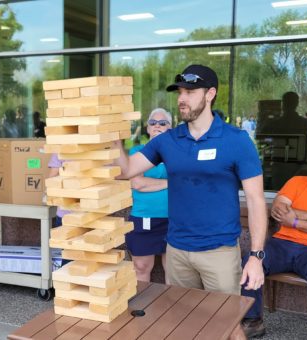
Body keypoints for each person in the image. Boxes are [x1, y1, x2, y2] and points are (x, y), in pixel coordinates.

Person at [114, 65, 267, 338]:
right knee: (183, 326)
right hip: (177, 253)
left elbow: (256, 200)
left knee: (228, 326)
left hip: (218, 253)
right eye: (180, 92)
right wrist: (112, 135)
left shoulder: (236, 140)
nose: (182, 98)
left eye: (190, 91)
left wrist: (255, 256)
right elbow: (126, 170)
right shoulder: (169, 141)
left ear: (210, 94)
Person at [241, 145, 307, 340]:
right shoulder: (299, 181)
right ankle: (253, 321)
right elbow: (278, 209)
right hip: (282, 243)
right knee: (251, 261)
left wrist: (295, 220)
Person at [126, 108, 171, 282]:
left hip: (174, 218)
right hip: (144, 217)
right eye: (153, 123)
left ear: (170, 127)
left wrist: (151, 183)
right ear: (147, 128)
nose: (157, 126)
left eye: (162, 123)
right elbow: (138, 183)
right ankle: (142, 308)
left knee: (175, 272)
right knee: (141, 268)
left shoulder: (177, 152)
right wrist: (170, 183)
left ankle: (171, 308)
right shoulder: (137, 152)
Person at [259, 92, 307, 190]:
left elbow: (261, 141)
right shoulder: (306, 124)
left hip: (278, 170)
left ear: (283, 104)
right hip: (299, 170)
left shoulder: (274, 124)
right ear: (297, 104)